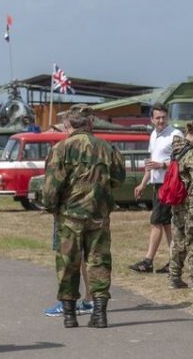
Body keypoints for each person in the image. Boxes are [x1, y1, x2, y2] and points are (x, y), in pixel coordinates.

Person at [41, 105, 126, 328]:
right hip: (98, 216)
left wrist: (51, 207)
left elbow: (50, 188)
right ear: (89, 123)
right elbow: (118, 180)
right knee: (98, 262)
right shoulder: (107, 148)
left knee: (68, 263)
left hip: (69, 217)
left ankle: (69, 315)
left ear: (69, 124)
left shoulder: (61, 148)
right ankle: (99, 314)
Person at [130, 103, 183, 274]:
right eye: (157, 118)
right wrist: (143, 183)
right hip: (156, 184)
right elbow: (151, 164)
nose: (161, 120)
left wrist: (162, 165)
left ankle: (148, 261)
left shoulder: (175, 134)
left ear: (168, 117)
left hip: (168, 185)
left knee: (156, 221)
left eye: (163, 117)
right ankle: (173, 260)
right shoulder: (153, 135)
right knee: (166, 224)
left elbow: (181, 161)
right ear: (152, 119)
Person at [168, 120, 193, 289]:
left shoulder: (176, 149)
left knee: (178, 239)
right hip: (191, 202)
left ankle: (174, 276)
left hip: (177, 201)